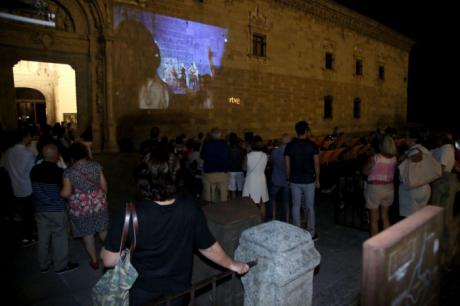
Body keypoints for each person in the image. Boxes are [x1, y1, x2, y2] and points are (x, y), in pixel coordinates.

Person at [101, 159, 249, 306]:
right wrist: (232, 264)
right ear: (177, 178)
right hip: (178, 290)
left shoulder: (129, 213)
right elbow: (207, 246)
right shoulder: (190, 208)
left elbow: (108, 260)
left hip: (141, 289)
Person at [31, 144, 79, 274]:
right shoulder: (59, 173)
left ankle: (44, 264)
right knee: (59, 237)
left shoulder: (34, 170)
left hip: (40, 209)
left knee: (43, 236)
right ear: (56, 156)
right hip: (57, 209)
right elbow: (65, 192)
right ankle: (60, 265)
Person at [61, 142, 109, 270]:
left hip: (81, 207)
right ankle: (112, 251)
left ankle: (94, 261)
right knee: (103, 230)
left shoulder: (69, 172)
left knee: (87, 235)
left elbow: (65, 193)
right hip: (98, 203)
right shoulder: (96, 166)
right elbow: (104, 186)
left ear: (71, 156)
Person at [285, 121, 320, 240]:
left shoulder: (290, 146)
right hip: (309, 180)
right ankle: (311, 232)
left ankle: (297, 232)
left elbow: (287, 165)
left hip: (295, 180)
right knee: (310, 206)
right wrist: (318, 179)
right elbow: (316, 164)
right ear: (306, 131)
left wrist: (288, 178)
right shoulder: (312, 145)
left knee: (296, 206)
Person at [4, 128, 37, 247]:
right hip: (27, 186)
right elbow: (32, 171)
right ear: (24, 138)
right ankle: (28, 237)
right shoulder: (27, 153)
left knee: (23, 214)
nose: (30, 138)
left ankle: (27, 234)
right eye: (29, 135)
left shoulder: (8, 152)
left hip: (15, 186)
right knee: (29, 214)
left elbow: (6, 168)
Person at [362, 136, 397, 236]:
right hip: (389, 188)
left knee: (374, 220)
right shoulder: (394, 158)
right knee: (385, 217)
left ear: (382, 146)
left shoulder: (375, 158)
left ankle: (375, 246)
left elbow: (365, 171)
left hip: (375, 189)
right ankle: (386, 243)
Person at [398, 132, 432, 217]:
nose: (405, 140)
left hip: (412, 189)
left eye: (406, 138)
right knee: (420, 218)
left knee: (410, 221)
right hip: (425, 187)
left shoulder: (412, 152)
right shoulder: (425, 150)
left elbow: (405, 172)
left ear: (413, 140)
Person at [200, 128, 229, 203]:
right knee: (223, 194)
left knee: (209, 194)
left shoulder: (206, 146)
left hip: (209, 173)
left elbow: (202, 156)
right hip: (222, 173)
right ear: (220, 134)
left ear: (211, 135)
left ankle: (211, 209)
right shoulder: (225, 145)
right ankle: (223, 210)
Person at [267, 134, 291, 222]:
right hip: (286, 180)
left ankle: (273, 217)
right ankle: (287, 219)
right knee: (286, 202)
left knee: (273, 199)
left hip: (276, 179)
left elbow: (271, 162)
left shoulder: (275, 151)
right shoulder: (291, 152)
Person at [243, 140, 269, 218]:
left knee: (249, 201)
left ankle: (251, 219)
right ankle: (262, 219)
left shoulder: (248, 155)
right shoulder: (265, 155)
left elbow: (244, 168)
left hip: (251, 179)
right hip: (261, 179)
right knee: (262, 200)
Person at [228, 133, 246, 200]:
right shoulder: (242, 149)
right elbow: (244, 160)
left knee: (232, 189)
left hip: (231, 171)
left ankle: (234, 204)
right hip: (240, 170)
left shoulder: (228, 149)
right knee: (239, 189)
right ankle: (239, 203)